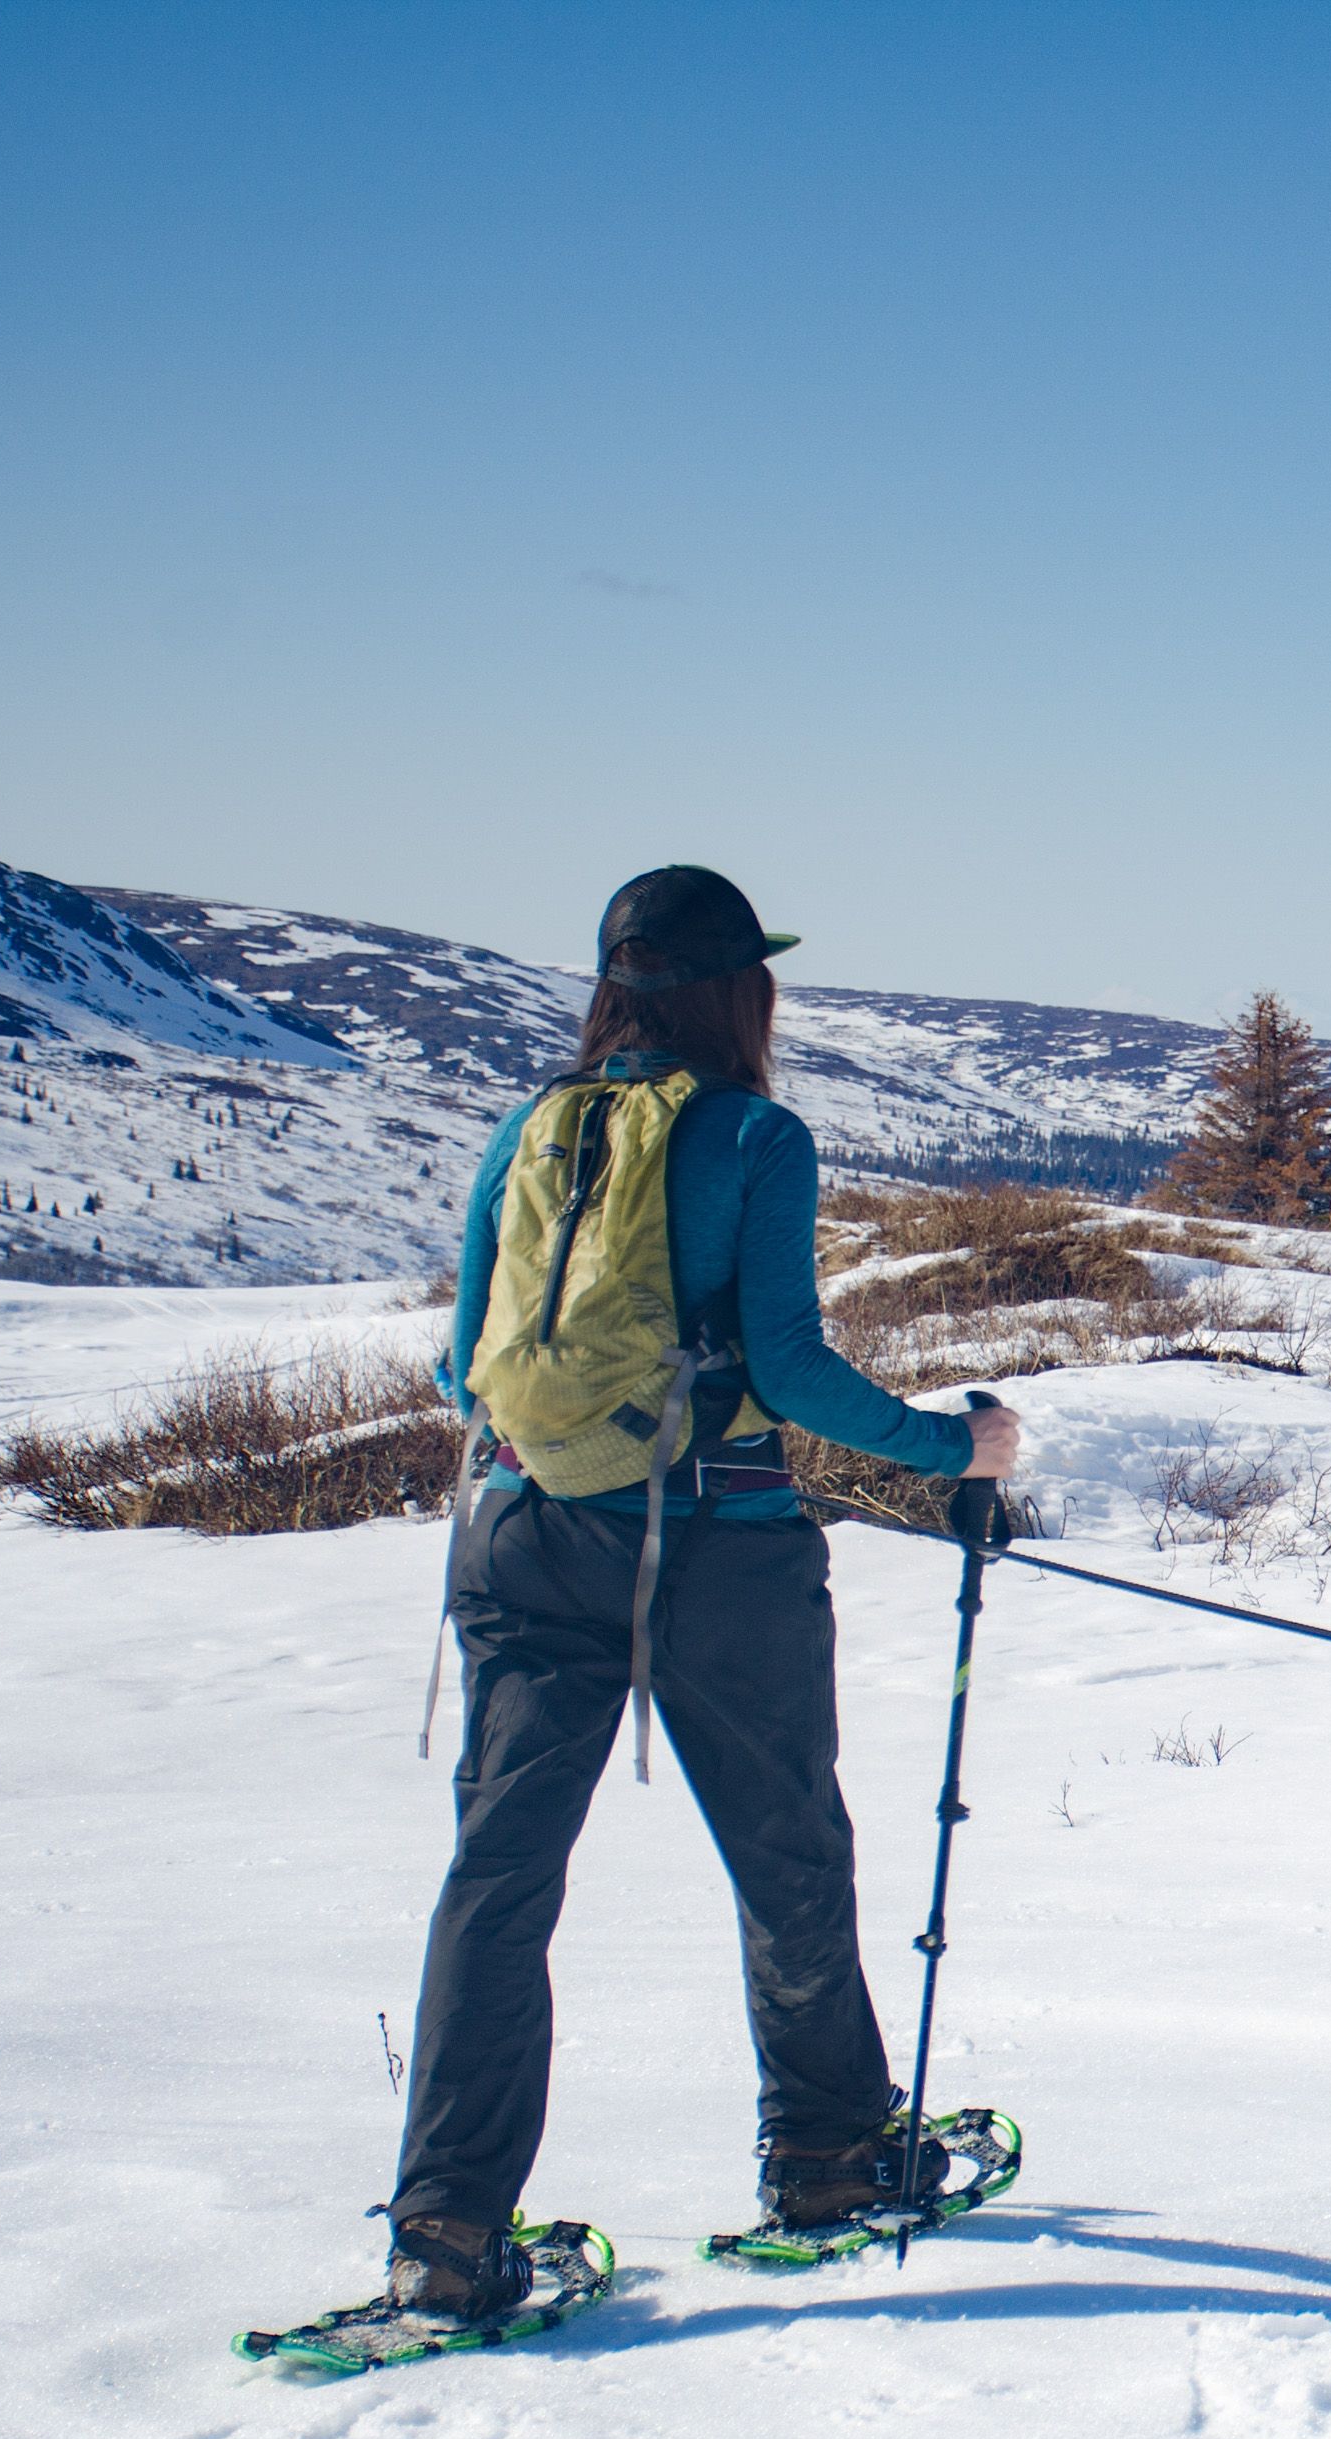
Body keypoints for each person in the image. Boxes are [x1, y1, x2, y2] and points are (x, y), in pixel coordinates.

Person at [378, 865, 1025, 2317]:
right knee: (788, 1849)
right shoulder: (751, 1136)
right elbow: (787, 1370)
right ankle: (827, 2157)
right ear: (743, 990)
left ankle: (445, 2236)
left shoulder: (527, 1129)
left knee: (499, 1878)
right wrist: (952, 1450)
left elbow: (457, 1363)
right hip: (716, 1550)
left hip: (519, 1534)